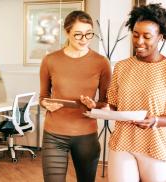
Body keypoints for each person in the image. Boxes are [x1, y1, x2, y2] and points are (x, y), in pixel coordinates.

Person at [83, 3, 166, 182]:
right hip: (123, 142)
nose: (139, 41)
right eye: (135, 35)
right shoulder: (121, 67)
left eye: (147, 36)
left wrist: (155, 121)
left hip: (156, 146)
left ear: (161, 37)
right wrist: (96, 106)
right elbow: (114, 106)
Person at [39, 10, 111, 182]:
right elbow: (43, 96)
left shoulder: (101, 62)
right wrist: (46, 104)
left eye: (89, 34)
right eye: (78, 34)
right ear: (67, 32)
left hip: (86, 135)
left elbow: (105, 102)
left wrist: (94, 105)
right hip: (54, 135)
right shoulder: (50, 60)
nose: (84, 39)